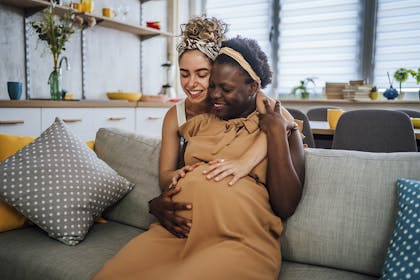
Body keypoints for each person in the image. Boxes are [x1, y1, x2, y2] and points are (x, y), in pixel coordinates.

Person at [93, 36, 304, 280]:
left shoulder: (279, 126)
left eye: (225, 89)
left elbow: (287, 205)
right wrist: (158, 203)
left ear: (253, 88)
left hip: (236, 238)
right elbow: (176, 177)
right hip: (176, 233)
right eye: (213, 85)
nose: (213, 94)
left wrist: (276, 132)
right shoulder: (199, 123)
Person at [156, 16, 296, 238]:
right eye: (184, 74)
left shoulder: (240, 102)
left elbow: (284, 123)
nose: (191, 83)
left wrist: (245, 161)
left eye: (202, 74)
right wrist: (176, 175)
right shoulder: (176, 116)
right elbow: (164, 175)